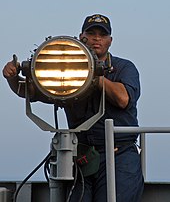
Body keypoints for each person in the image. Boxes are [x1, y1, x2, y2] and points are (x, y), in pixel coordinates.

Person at [2, 14, 144, 202]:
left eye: (102, 35)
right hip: (83, 157)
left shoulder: (124, 68)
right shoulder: (68, 71)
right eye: (91, 33)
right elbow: (30, 92)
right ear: (81, 36)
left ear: (110, 41)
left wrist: (94, 76)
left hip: (119, 155)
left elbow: (123, 99)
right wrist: (12, 78)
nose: (96, 38)